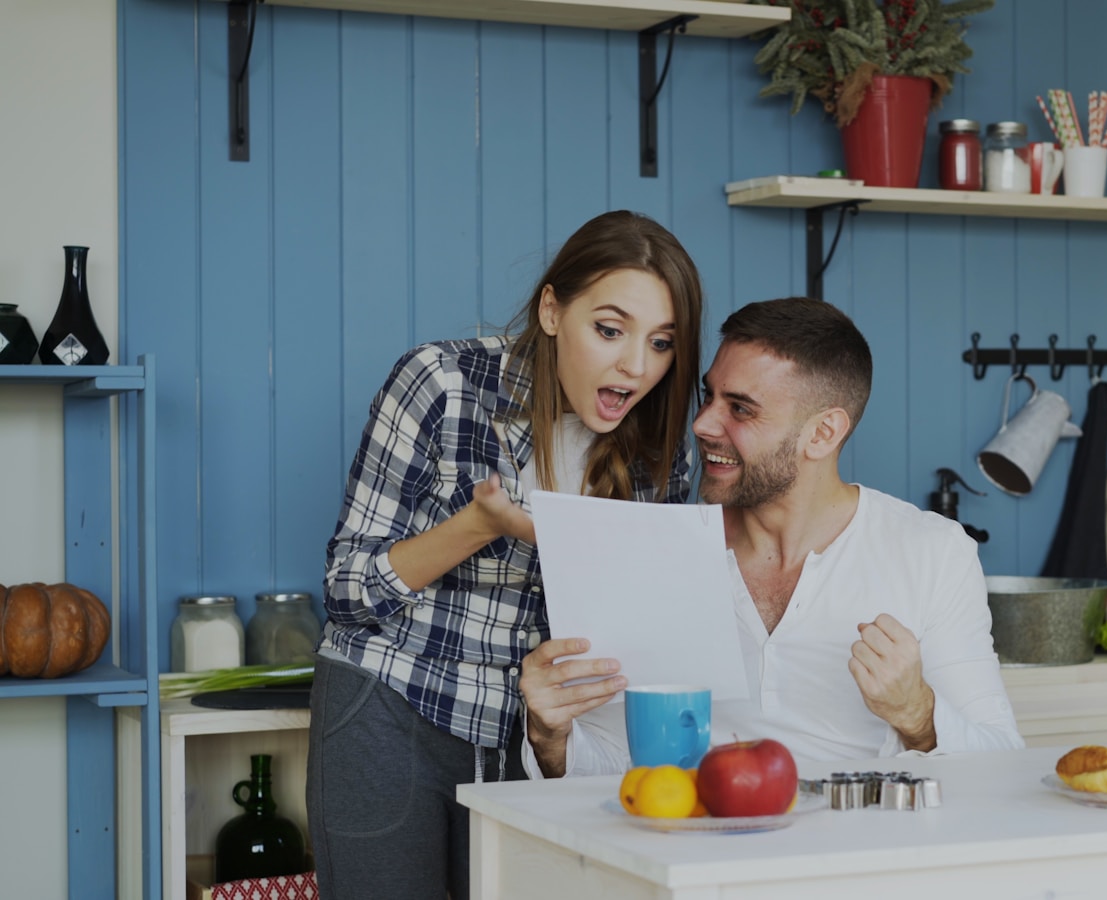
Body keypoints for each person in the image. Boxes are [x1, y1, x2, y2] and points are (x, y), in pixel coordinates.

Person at [308, 210, 704, 899]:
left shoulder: (658, 441)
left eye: (662, 342)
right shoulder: (442, 383)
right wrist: (478, 525)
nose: (636, 366)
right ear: (551, 310)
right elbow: (348, 592)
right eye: (609, 330)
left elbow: (642, 621)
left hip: (539, 741)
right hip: (395, 708)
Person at [519, 297, 1023, 779]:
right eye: (709, 396)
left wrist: (918, 714)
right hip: (697, 854)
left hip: (863, 852)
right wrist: (550, 736)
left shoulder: (932, 551)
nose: (703, 423)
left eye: (740, 409)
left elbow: (1002, 761)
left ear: (823, 433)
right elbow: (615, 764)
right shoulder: (656, 552)